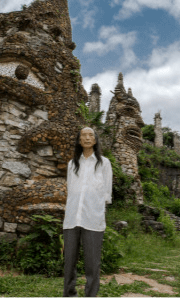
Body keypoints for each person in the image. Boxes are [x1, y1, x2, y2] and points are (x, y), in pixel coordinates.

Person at [63, 127, 112, 298]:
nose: (87, 137)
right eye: (83, 135)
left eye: (91, 134)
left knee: (92, 264)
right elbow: (70, 190)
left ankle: (91, 295)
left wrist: (98, 213)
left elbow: (107, 193)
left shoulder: (104, 163)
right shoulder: (72, 164)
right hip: (71, 218)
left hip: (93, 219)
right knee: (69, 262)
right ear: (79, 140)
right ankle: (69, 294)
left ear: (96, 140)